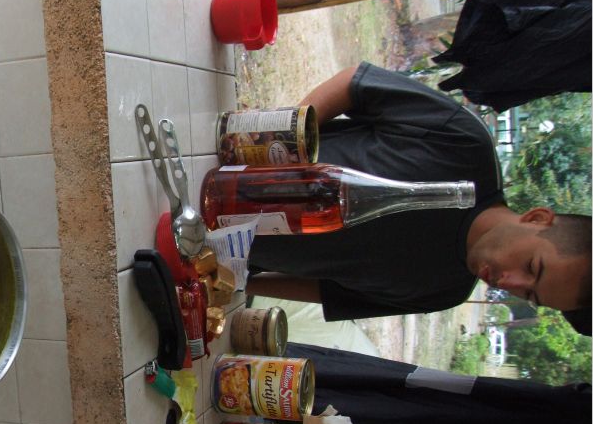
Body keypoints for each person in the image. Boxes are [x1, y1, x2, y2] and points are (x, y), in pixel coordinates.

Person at [245, 62, 592, 335]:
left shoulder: (445, 292)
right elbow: (354, 85)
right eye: (532, 267)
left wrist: (240, 282)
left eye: (529, 295)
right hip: (238, 168)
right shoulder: (466, 145)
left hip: (232, 251)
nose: (509, 283)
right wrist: (280, 144)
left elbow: (327, 293)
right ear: (537, 218)